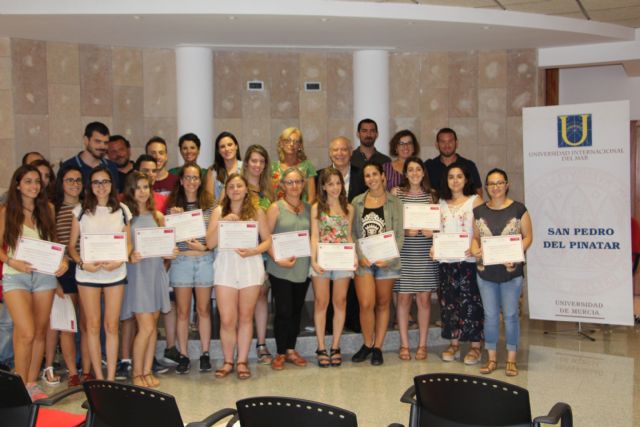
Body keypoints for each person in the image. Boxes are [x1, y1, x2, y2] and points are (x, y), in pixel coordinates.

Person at [0, 165, 68, 400]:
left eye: (37, 182)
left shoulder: (47, 209)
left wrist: (64, 262)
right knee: (26, 331)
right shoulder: (6, 211)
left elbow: (57, 244)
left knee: (39, 332)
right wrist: (12, 261)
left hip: (44, 277)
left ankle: (30, 383)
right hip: (15, 275)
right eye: (28, 181)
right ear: (17, 185)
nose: (34, 186)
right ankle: (18, 386)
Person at [68, 166, 132, 381]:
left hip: (115, 273)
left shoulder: (122, 210)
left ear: (112, 184)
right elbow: (71, 247)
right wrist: (82, 264)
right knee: (93, 326)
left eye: (105, 182)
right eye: (96, 182)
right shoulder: (80, 211)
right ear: (90, 186)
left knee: (112, 325)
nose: (101, 186)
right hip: (88, 275)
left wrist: (119, 260)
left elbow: (129, 245)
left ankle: (111, 378)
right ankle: (98, 376)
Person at [206, 174, 272, 379]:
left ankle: (242, 361)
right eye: (231, 186)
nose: (235, 189)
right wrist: (223, 222)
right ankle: (227, 361)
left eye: (239, 186)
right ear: (225, 190)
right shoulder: (218, 211)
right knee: (227, 319)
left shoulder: (257, 211)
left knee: (245, 317)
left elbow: (267, 241)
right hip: (226, 266)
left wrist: (254, 251)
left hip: (250, 265)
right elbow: (209, 243)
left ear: (246, 190)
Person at [471, 168, 532, 377]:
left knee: (511, 315)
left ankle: (512, 359)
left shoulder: (518, 209)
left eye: (499, 182)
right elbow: (475, 237)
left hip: (511, 271)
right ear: (486, 187)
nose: (495, 187)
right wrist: (473, 248)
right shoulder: (479, 211)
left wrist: (517, 252)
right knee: (489, 316)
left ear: (507, 185)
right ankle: (492, 358)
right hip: (485, 272)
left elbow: (528, 236)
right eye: (491, 183)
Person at [122, 172, 175, 387]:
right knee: (145, 327)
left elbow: (165, 244)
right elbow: (124, 245)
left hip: (155, 273)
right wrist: (129, 254)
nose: (143, 191)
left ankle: (146, 370)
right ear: (130, 191)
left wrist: (169, 252)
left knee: (152, 326)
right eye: (138, 187)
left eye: (146, 187)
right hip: (138, 275)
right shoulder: (126, 216)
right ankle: (136, 373)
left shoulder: (157, 216)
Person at [351, 161, 403, 366]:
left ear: (383, 176)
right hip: (364, 261)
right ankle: (367, 343)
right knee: (366, 304)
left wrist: (388, 259)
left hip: (387, 263)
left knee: (383, 304)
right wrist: (359, 253)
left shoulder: (395, 202)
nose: (371, 178)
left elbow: (399, 236)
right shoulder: (356, 202)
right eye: (367, 175)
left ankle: (378, 347)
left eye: (375, 174)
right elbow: (352, 233)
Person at [433, 162, 484, 365]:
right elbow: (437, 231)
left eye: (459, 176)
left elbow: (480, 231)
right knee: (449, 302)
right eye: (451, 177)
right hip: (446, 262)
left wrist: (475, 246)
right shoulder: (441, 203)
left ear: (466, 179)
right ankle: (454, 343)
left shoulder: (475, 201)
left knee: (471, 303)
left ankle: (475, 346)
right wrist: (434, 246)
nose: (455, 180)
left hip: (468, 260)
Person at [166, 162, 215, 374]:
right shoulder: (173, 206)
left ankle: (205, 353)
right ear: (181, 180)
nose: (192, 182)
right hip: (182, 262)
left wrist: (204, 246)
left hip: (204, 260)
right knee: (183, 312)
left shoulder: (210, 205)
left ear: (200, 181)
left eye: (195, 178)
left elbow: (213, 236)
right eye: (188, 177)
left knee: (203, 310)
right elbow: (167, 239)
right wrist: (173, 220)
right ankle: (184, 355)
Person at [47, 165, 91, 388]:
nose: (74, 184)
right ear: (61, 183)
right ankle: (73, 372)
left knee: (87, 322)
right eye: (69, 180)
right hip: (63, 270)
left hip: (88, 269)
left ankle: (88, 369)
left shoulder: (89, 208)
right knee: (67, 324)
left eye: (78, 180)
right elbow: (50, 242)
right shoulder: (53, 209)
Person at [390, 157, 438, 361]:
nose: (415, 173)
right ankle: (404, 344)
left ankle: (422, 344)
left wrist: (433, 232)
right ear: (405, 173)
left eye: (418, 169)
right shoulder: (396, 193)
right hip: (405, 254)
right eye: (411, 170)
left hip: (425, 255)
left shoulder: (432, 196)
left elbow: (439, 226)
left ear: (423, 172)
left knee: (424, 300)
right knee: (403, 298)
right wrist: (403, 232)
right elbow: (391, 222)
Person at [266, 167, 311, 370]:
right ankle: (280, 352)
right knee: (283, 311)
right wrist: (277, 259)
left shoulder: (310, 208)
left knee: (296, 310)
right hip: (280, 268)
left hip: (302, 267)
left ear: (303, 184)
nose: (294, 186)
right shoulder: (275, 208)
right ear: (283, 185)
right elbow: (265, 237)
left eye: (298, 182)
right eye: (290, 182)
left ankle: (291, 349)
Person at [310, 167, 355, 367]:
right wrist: (313, 260)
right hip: (322, 260)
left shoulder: (349, 208)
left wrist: (353, 255)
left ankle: (336, 345)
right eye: (330, 184)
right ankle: (321, 346)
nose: (335, 187)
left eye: (338, 183)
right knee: (321, 302)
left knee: (341, 301)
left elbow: (348, 235)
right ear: (324, 187)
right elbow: (314, 236)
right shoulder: (316, 208)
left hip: (342, 260)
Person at [241, 145, 274, 363]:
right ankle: (239, 344)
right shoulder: (236, 186)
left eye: (261, 161)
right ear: (246, 163)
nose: (257, 165)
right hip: (240, 252)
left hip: (263, 252)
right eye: (254, 161)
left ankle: (261, 343)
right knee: (242, 302)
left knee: (262, 296)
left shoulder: (268, 191)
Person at [62, 122, 121, 192]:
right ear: (86, 140)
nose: (102, 146)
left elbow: (115, 196)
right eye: (97, 141)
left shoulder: (111, 167)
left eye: (106, 143)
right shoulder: (68, 166)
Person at [424, 127, 482, 196]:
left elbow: (479, 192)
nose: (447, 145)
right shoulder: (428, 166)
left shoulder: (469, 166)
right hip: (437, 206)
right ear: (437, 145)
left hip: (464, 206)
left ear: (456, 143)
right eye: (443, 142)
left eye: (450, 141)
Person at [271, 127, 316, 203]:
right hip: (278, 211)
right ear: (281, 144)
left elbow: (311, 198)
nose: (291, 144)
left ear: (300, 146)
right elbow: (270, 196)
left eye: (296, 141)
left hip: (303, 212)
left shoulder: (307, 166)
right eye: (287, 141)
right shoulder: (272, 167)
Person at [316, 136, 366, 203]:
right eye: (335, 150)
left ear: (351, 152)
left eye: (344, 150)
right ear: (330, 153)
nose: (339, 153)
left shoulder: (363, 174)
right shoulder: (318, 176)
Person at [205, 131, 242, 202]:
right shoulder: (213, 170)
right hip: (219, 210)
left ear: (236, 146)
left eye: (230, 145)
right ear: (218, 151)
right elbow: (209, 200)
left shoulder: (246, 167)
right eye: (222, 147)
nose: (227, 149)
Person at [146, 136, 179, 212]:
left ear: (166, 156)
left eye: (161, 153)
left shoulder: (176, 181)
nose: (157, 157)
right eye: (153, 153)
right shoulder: (141, 183)